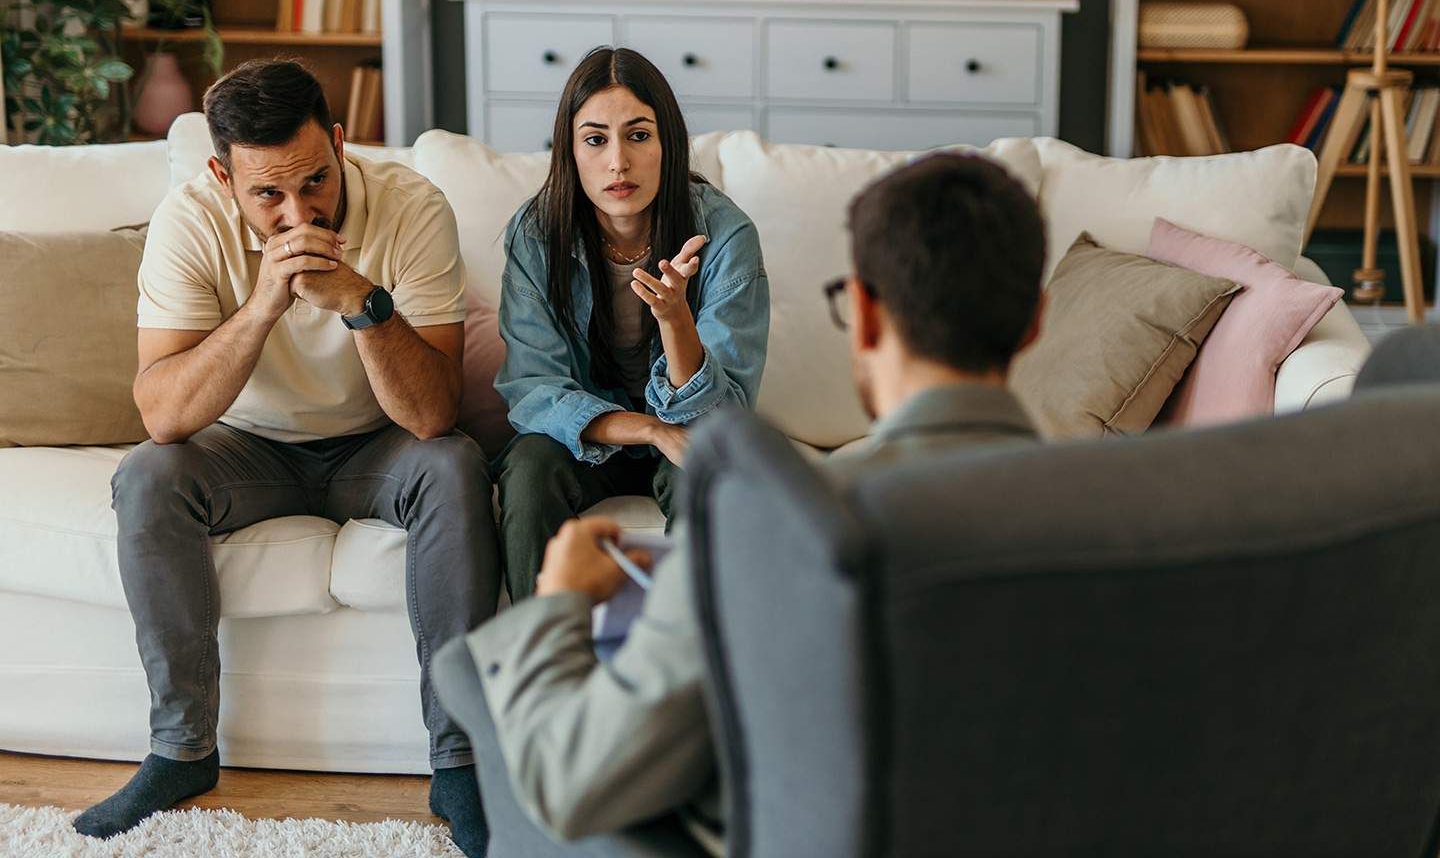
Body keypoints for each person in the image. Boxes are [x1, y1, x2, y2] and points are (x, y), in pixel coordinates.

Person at [433, 151, 1050, 854]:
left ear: (867, 317)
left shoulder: (774, 532)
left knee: (471, 678)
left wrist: (559, 606)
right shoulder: (1162, 504)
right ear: (1036, 321)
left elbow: (571, 784)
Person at [74, 60, 496, 857]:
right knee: (147, 474)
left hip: (379, 444)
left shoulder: (412, 208)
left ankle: (459, 761)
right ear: (222, 176)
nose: (299, 212)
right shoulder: (188, 220)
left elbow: (433, 414)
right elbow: (162, 413)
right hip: (247, 448)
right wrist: (266, 303)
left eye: (316, 181)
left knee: (456, 465)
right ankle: (180, 751)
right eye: (268, 193)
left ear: (339, 145)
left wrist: (365, 307)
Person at [491, 46, 770, 602]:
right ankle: (544, 665)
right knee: (528, 468)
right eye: (595, 139)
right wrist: (644, 428)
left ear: (668, 144)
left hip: (691, 432)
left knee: (706, 472)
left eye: (638, 136)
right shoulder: (535, 232)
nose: (618, 161)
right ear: (570, 152)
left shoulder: (726, 235)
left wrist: (676, 321)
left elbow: (726, 410)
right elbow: (532, 388)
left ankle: (687, 667)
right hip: (588, 435)